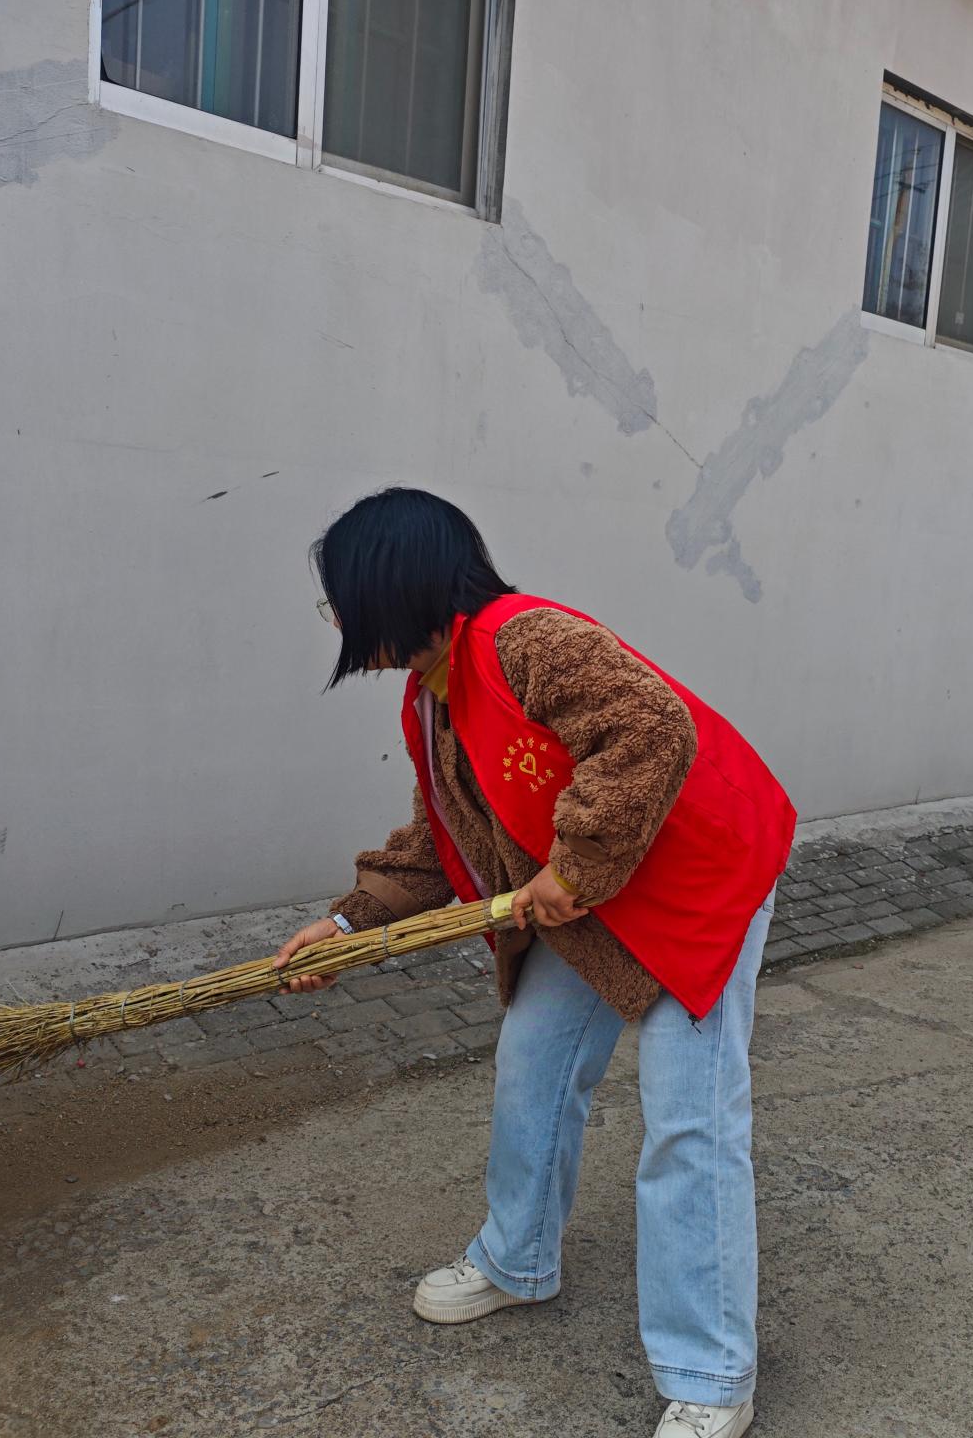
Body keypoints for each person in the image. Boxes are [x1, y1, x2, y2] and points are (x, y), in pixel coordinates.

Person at [272, 488, 795, 1438]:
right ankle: (517, 1259)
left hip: (696, 880)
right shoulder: (430, 699)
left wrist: (577, 867)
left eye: (342, 600)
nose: (341, 623)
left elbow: (653, 727)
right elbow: (444, 838)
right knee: (532, 1067)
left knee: (690, 1120)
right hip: (589, 892)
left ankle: (712, 1372)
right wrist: (348, 925)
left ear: (396, 585)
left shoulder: (526, 640)